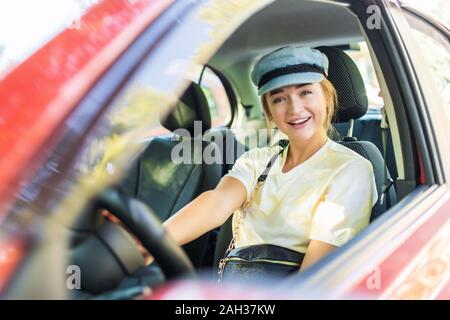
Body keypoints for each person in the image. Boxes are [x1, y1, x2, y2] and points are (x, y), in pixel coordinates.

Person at [162, 46, 378, 273]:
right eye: (279, 99)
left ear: (326, 97)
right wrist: (149, 245)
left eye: (305, 92)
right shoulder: (257, 160)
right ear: (270, 112)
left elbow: (317, 278)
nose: (295, 108)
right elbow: (217, 202)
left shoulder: (351, 169)